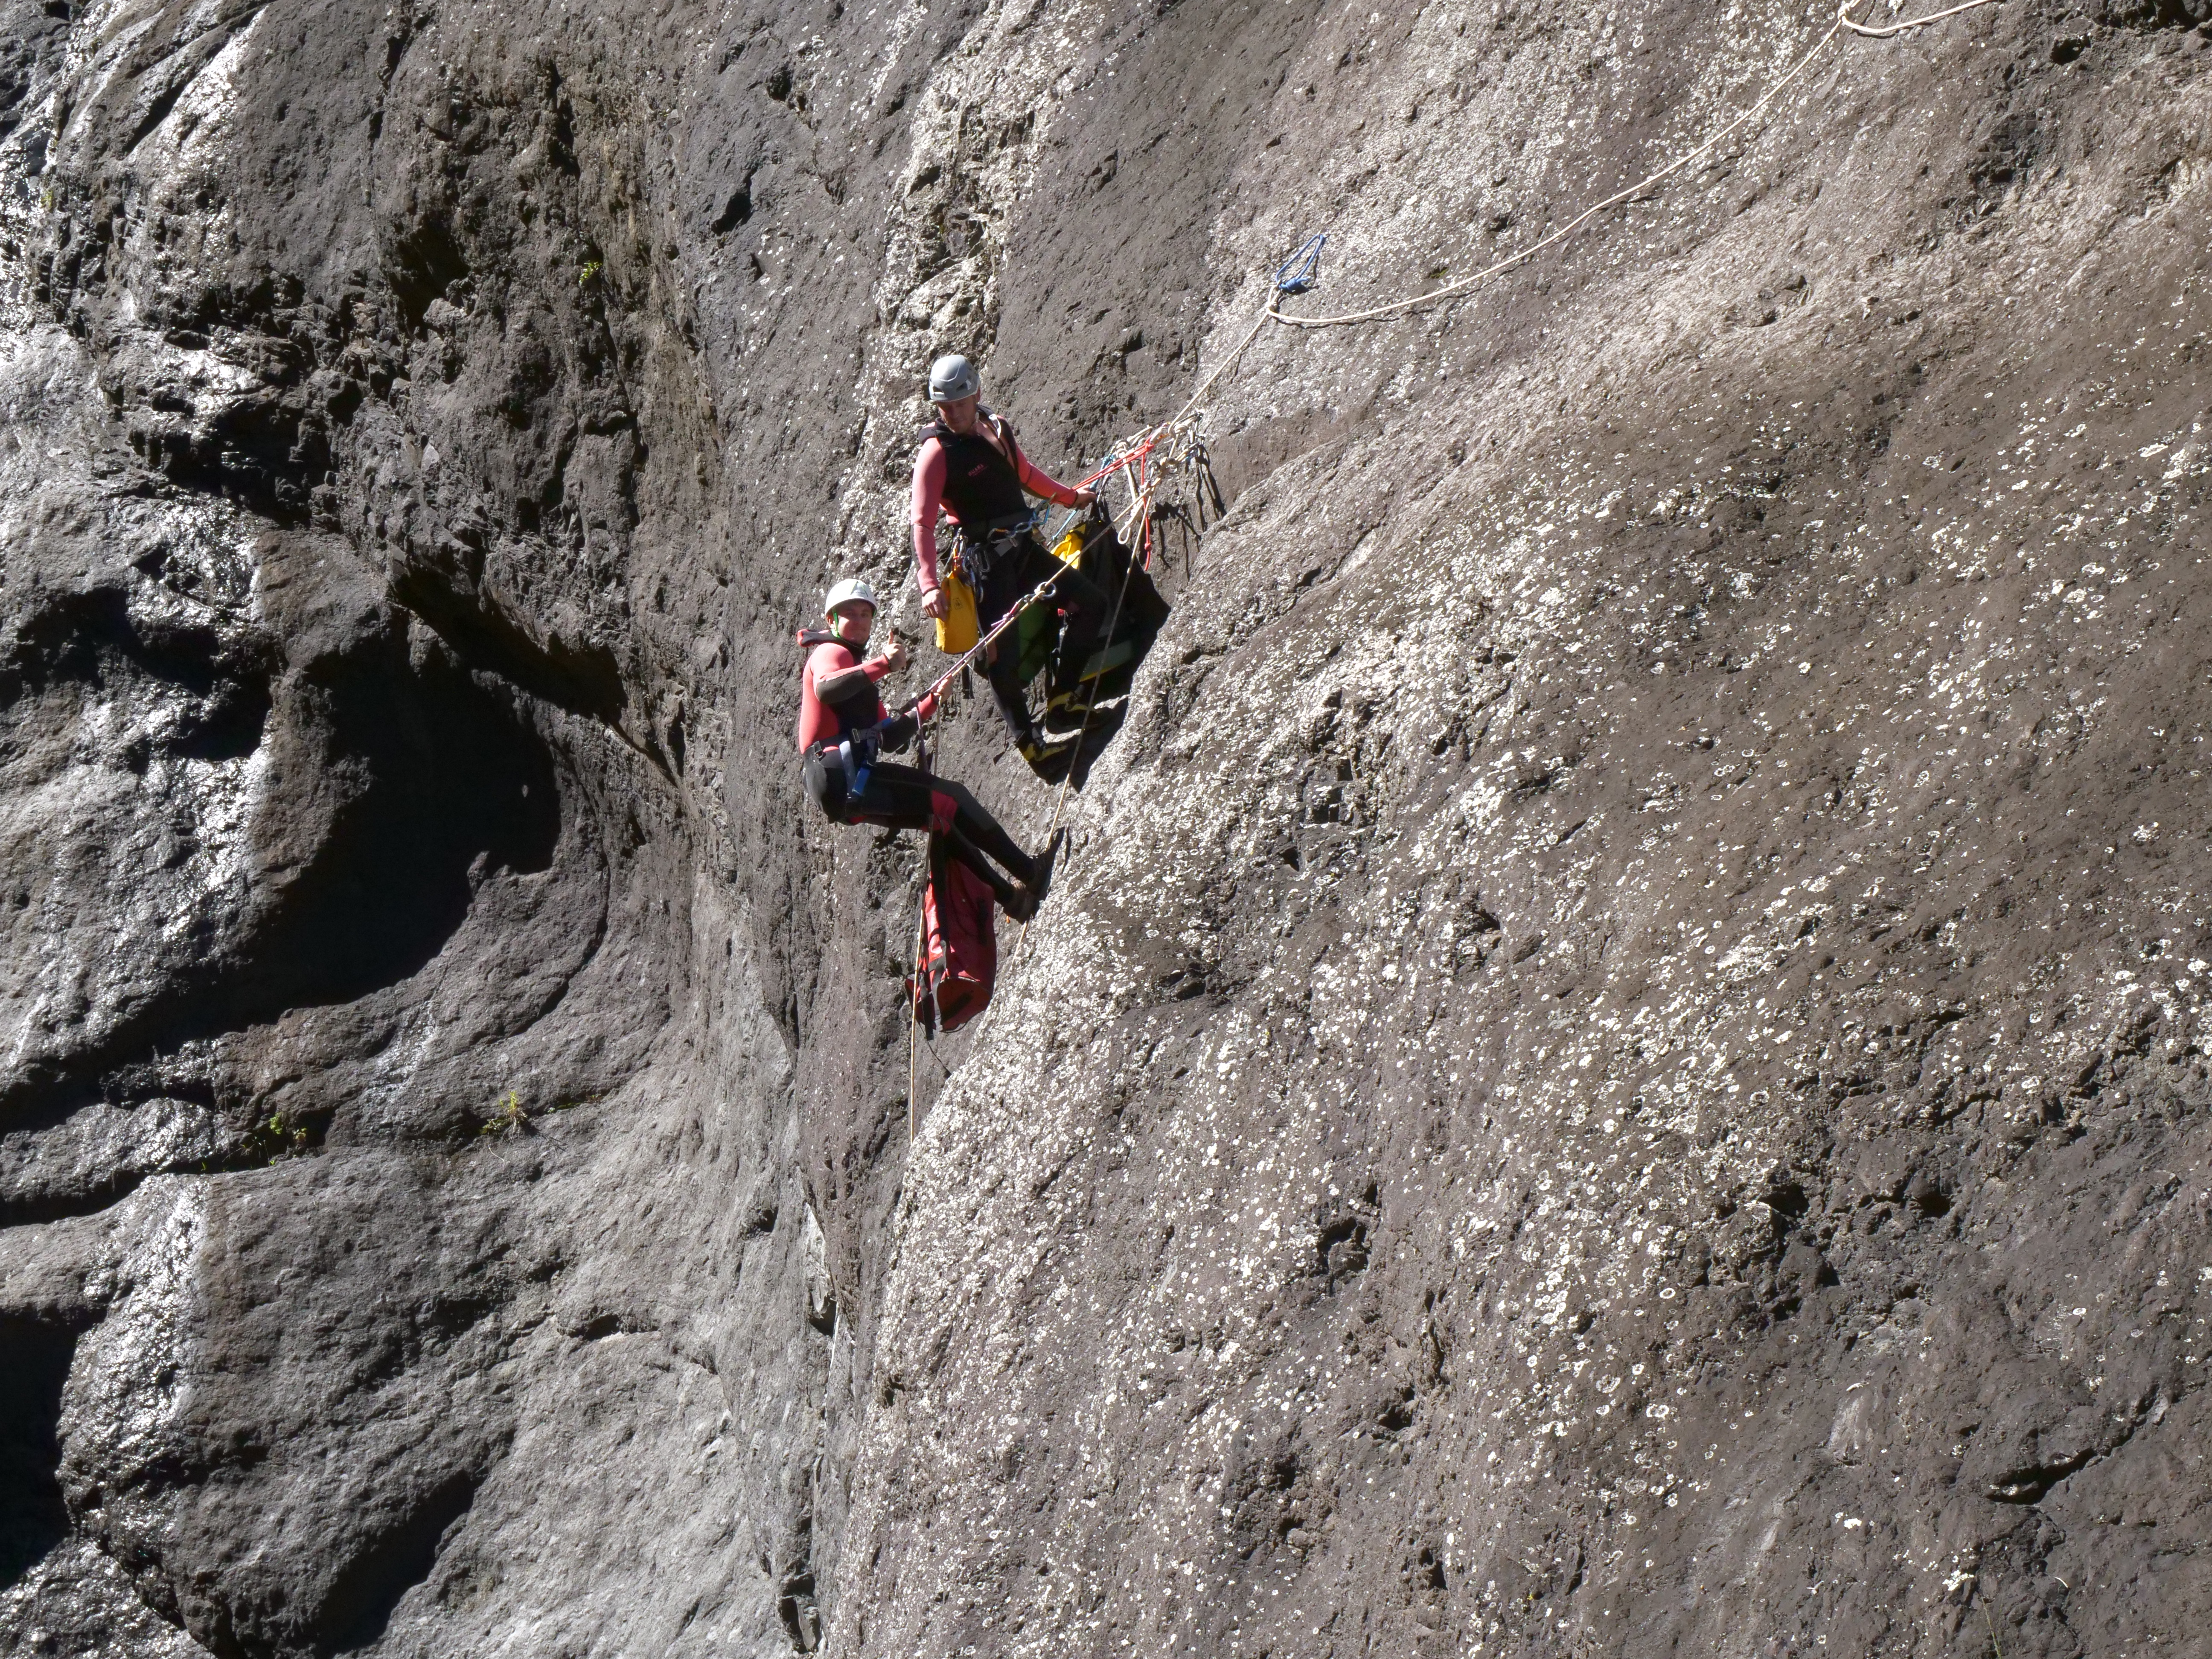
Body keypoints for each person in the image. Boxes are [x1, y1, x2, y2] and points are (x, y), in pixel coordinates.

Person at [797, 577, 1058, 920]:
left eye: (865, 614)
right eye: (850, 614)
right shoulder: (831, 652)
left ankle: (1013, 899)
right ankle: (1030, 873)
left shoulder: (860, 676)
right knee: (953, 798)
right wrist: (884, 665)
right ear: (832, 621)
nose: (859, 621)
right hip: (839, 775)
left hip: (843, 783)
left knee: (941, 822)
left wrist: (931, 702)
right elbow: (827, 690)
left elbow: (889, 738)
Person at [911, 352, 1112, 766]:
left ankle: (1063, 702)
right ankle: (1029, 742)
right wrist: (928, 584)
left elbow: (1025, 474)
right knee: (1001, 654)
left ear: (977, 394)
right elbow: (923, 524)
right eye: (944, 407)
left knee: (1090, 603)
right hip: (987, 566)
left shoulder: (997, 427)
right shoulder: (936, 452)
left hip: (1021, 550)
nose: (952, 414)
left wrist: (1073, 498)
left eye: (959, 404)